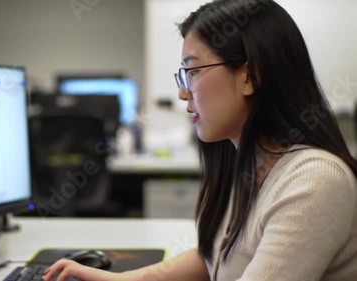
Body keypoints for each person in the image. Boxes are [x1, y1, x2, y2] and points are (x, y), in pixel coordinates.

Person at [42, 0, 357, 280]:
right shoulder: (249, 164)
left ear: (249, 76)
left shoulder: (315, 180)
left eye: (192, 72)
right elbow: (211, 260)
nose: (182, 93)